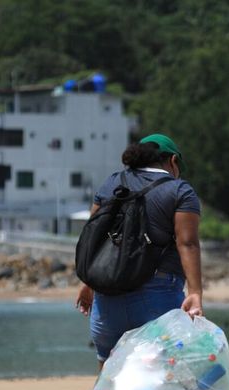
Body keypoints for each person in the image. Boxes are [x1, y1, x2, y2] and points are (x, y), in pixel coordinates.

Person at [75, 133, 203, 366]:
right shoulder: (179, 190)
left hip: (107, 297)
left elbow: (91, 237)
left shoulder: (111, 183)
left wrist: (88, 282)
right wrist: (195, 292)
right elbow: (188, 243)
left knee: (110, 375)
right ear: (173, 161)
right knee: (161, 377)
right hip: (158, 295)